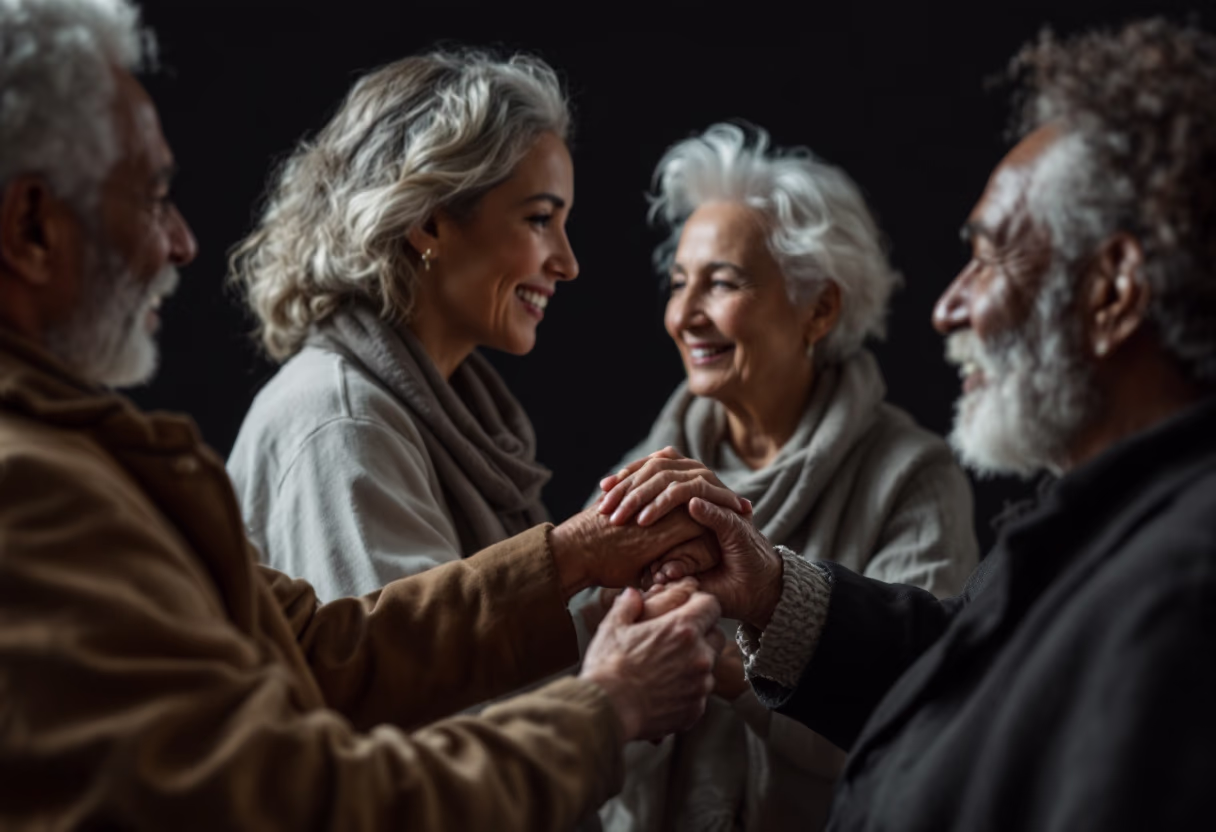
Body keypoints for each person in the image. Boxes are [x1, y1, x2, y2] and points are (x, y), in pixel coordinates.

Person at [0, 2, 729, 829]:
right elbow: (316, 798)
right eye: (152, 195)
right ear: (31, 228)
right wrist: (608, 706)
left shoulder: (78, 462)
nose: (180, 243)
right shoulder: (39, 490)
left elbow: (327, 652)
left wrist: (584, 559)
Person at [608, 18, 1216, 831]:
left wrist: (715, 665)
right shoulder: (1092, 522)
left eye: (993, 256)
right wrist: (768, 592)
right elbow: (950, 664)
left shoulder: (1178, 592)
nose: (947, 305)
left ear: (1112, 293)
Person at [586, 124, 978, 832]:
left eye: (723, 283)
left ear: (819, 310)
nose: (683, 315)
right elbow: (567, 677)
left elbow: (924, 717)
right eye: (678, 284)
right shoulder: (644, 473)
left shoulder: (911, 475)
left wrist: (733, 659)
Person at [227, 49, 583, 602]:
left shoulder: (441, 411)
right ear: (428, 223)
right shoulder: (342, 421)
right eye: (539, 219)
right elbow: (413, 683)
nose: (566, 262)